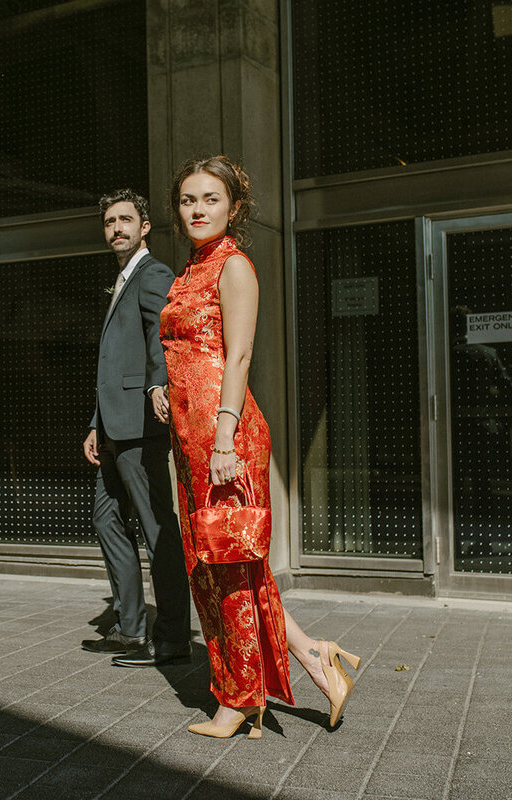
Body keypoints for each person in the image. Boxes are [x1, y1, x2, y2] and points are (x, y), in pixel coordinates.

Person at [158, 156, 361, 737]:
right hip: (190, 440)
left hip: (226, 437)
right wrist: (162, 393)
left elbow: (239, 355)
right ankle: (316, 659)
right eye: (189, 200)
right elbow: (183, 353)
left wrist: (223, 434)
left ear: (235, 208)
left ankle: (239, 700)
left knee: (228, 568)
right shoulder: (188, 271)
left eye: (211, 199)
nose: (197, 210)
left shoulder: (234, 266)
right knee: (217, 566)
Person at [81, 189, 192, 669]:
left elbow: (161, 336)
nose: (117, 229)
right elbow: (111, 361)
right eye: (110, 222)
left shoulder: (153, 275)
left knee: (156, 529)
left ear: (144, 227)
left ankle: (171, 639)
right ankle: (129, 629)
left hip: (141, 423)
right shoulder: (122, 279)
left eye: (126, 220)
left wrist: (156, 387)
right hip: (111, 427)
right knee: (107, 520)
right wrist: (94, 424)